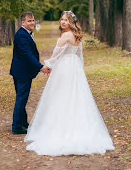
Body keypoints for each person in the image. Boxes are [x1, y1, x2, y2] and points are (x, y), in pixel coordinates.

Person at [24, 11, 115, 155]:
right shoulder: (77, 36)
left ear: (71, 22)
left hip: (65, 68)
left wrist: (48, 66)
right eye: (62, 19)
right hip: (75, 68)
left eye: (66, 20)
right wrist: (79, 69)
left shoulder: (65, 36)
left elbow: (56, 54)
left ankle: (61, 129)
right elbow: (79, 56)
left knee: (62, 96)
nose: (63, 22)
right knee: (77, 98)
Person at [10, 11, 51, 134]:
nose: (32, 22)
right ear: (23, 22)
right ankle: (16, 126)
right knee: (21, 98)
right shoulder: (22, 35)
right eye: (29, 21)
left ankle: (23, 122)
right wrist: (40, 67)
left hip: (21, 71)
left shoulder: (25, 33)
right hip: (22, 72)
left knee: (22, 98)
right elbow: (27, 54)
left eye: (33, 20)